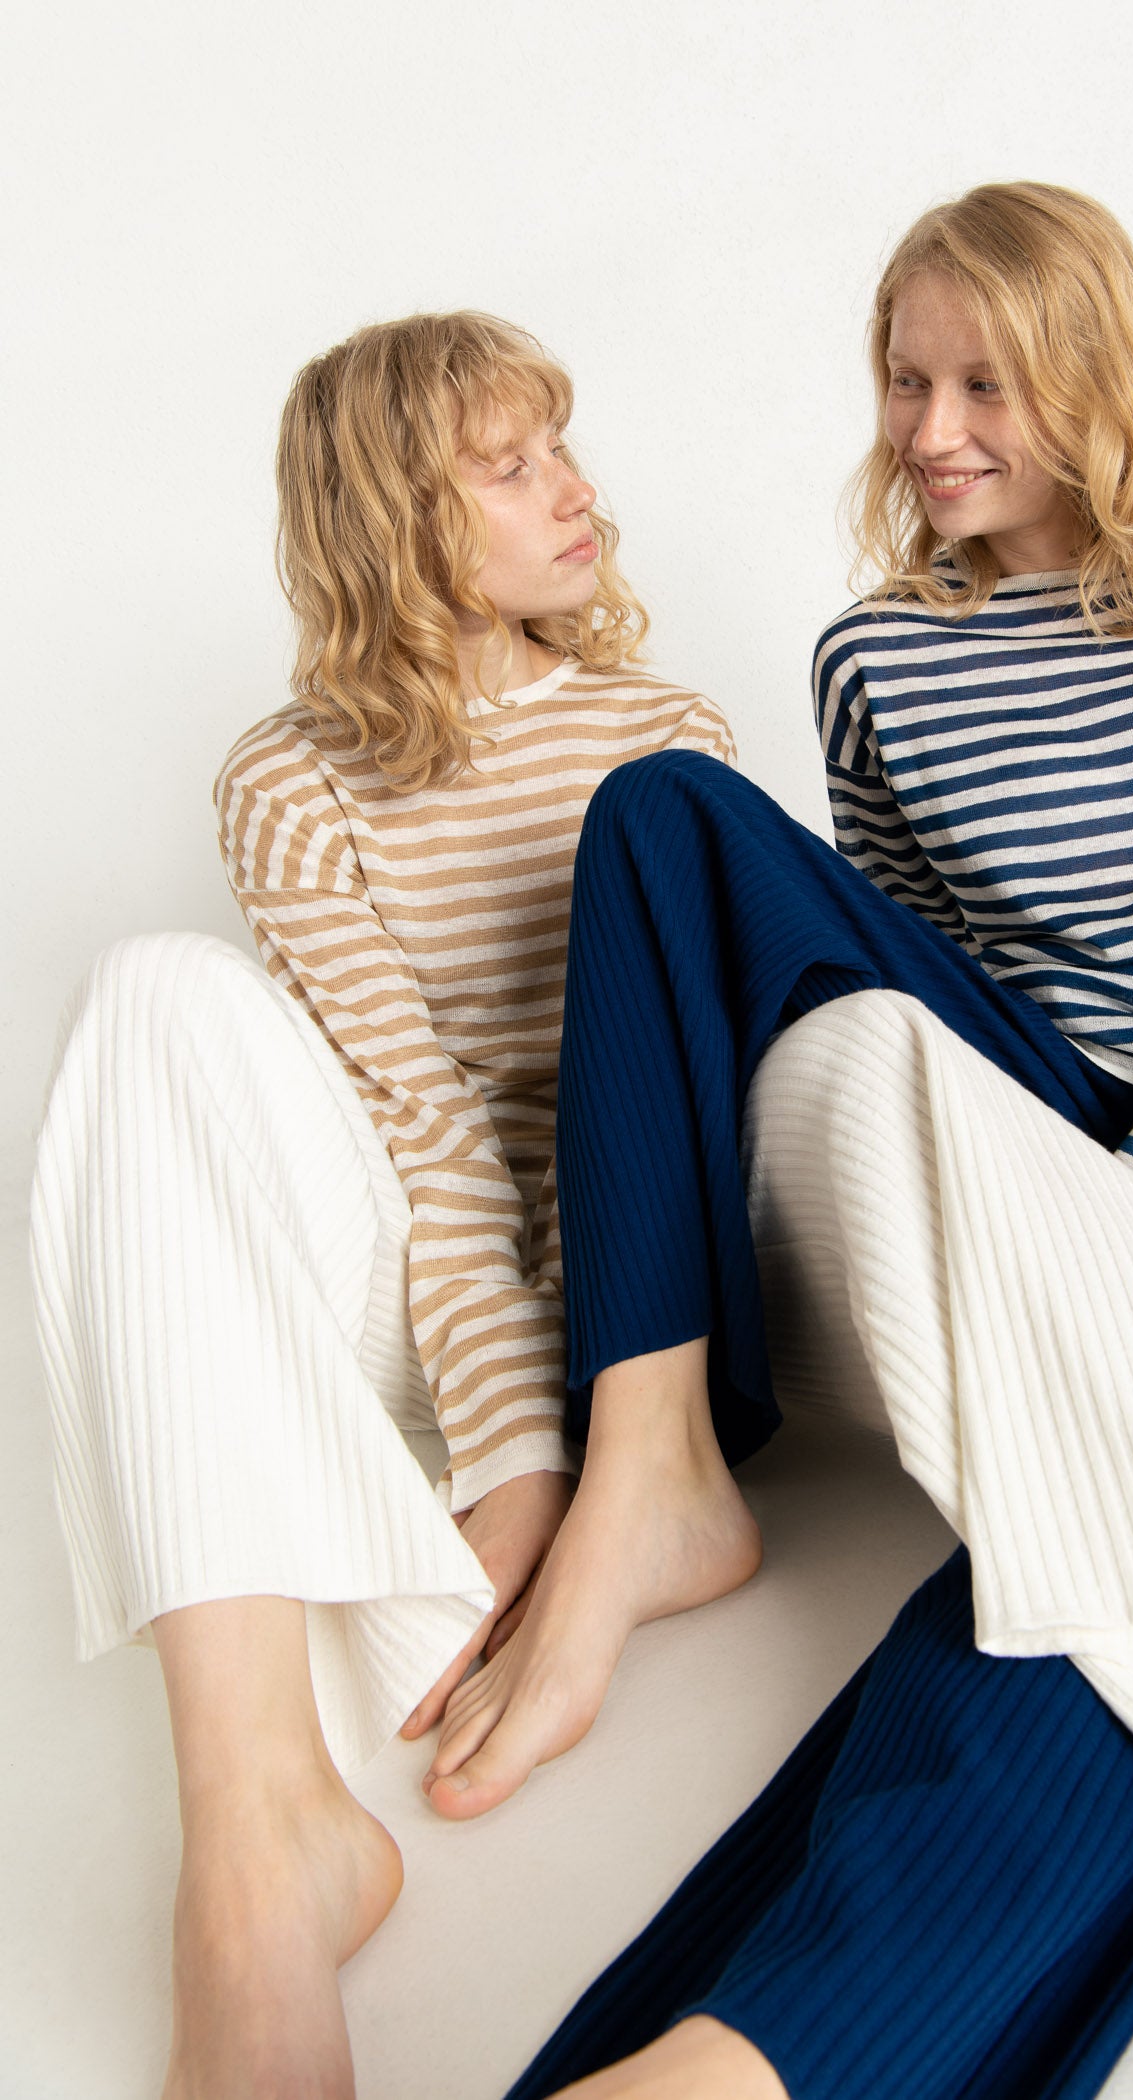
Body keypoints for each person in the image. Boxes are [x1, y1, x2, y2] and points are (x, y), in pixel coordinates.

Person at [482, 184, 1133, 2099]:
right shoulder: (878, 659)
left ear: (1098, 377)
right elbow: (917, 962)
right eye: (905, 379)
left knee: (1096, 1508)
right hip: (1047, 1108)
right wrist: (1027, 1189)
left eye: (986, 384)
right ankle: (651, 1447)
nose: (930, 431)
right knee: (665, 810)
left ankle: (757, 2055)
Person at [28, 310, 749, 2099]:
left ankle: (628, 1488)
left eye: (562, 446)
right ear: (391, 527)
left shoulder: (667, 737)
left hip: (654, 1294)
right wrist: (512, 1467)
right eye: (510, 466)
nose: (575, 491)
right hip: (431, 1297)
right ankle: (264, 1835)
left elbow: (653, 1106)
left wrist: (582, 1441)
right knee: (150, 993)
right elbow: (427, 1137)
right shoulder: (288, 786)